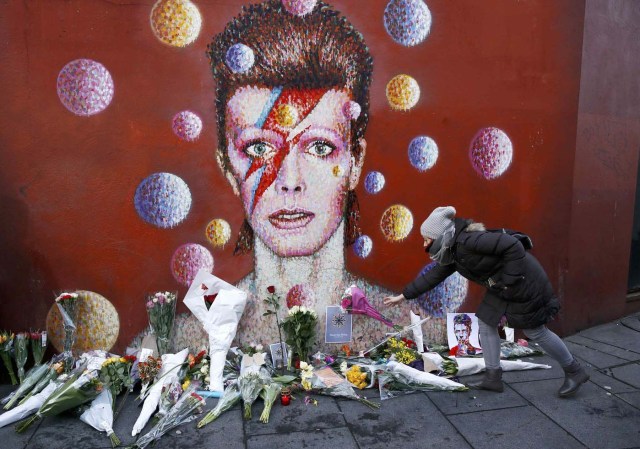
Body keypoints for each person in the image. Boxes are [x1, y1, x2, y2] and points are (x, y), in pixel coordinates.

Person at [163, 0, 420, 353]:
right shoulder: (186, 338)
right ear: (228, 168)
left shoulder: (403, 328)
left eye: (319, 147)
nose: (289, 179)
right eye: (258, 150)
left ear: (354, 161)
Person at [384, 206, 590, 397]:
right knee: (485, 321)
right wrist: (404, 295)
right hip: (502, 284)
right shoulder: (453, 251)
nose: (424, 245)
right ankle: (493, 378)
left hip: (524, 281)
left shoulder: (468, 241)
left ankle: (575, 371)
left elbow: (514, 246)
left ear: (440, 236)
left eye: (427, 239)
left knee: (535, 331)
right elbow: (433, 276)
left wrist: (508, 282)